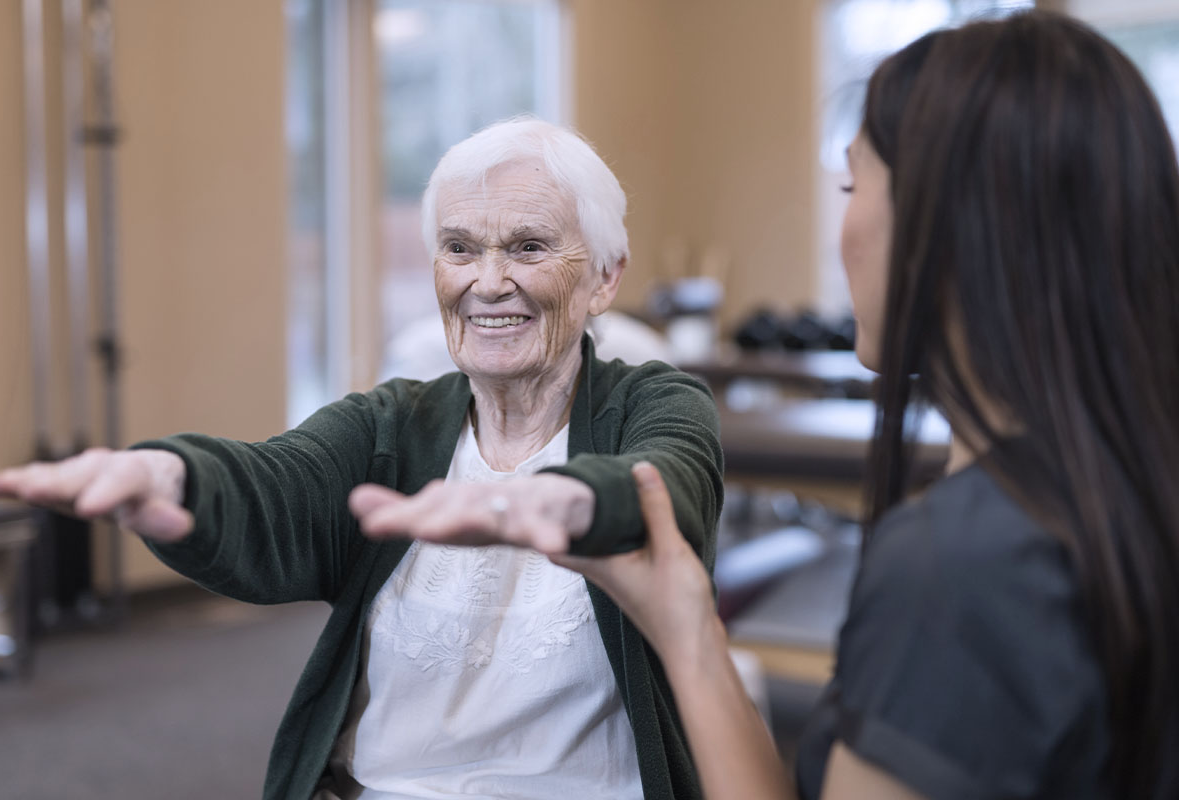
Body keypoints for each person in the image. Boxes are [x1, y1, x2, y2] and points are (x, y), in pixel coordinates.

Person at [385, 12, 1179, 800]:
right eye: (460, 249)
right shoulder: (1122, 489)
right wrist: (688, 628)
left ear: (964, 231)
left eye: (851, 184)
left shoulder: (960, 572)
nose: (489, 279)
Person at [0, 118, 724, 800]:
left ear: (605, 277)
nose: (489, 283)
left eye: (529, 247)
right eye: (460, 248)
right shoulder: (392, 425)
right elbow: (277, 482)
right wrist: (171, 473)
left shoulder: (655, 406)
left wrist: (557, 504)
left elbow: (661, 487)